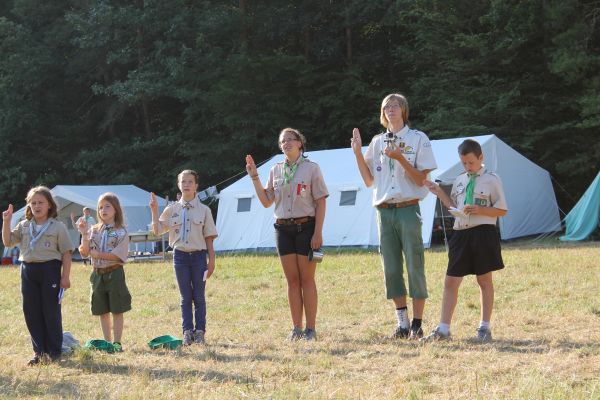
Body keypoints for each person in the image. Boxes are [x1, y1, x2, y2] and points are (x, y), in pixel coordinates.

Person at [351, 93, 437, 340]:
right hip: (384, 210)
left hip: (408, 208)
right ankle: (402, 323)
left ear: (404, 110)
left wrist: (400, 158)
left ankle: (417, 325)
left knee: (414, 265)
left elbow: (422, 179)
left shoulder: (418, 138)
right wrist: (358, 153)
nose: (390, 109)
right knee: (390, 268)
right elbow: (369, 181)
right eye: (386, 106)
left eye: (395, 105)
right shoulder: (377, 141)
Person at [246, 127, 328, 341]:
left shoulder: (312, 169)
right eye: (283, 141)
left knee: (307, 280)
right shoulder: (275, 170)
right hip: (282, 229)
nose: (286, 143)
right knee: (292, 281)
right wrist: (255, 177)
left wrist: (317, 233)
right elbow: (266, 202)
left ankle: (311, 329)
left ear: (300, 143)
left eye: (291, 139)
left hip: (306, 228)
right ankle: (296, 328)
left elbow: (321, 201)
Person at [421, 139, 507, 342]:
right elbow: (454, 206)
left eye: (471, 162)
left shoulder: (492, 180)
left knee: (484, 280)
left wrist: (480, 209)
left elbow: (502, 209)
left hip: (483, 233)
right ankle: (443, 329)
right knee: (451, 280)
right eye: (464, 163)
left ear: (480, 158)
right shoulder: (460, 180)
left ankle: (484, 328)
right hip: (460, 233)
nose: (468, 167)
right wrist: (439, 192)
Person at [2, 186, 74, 365]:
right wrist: (6, 221)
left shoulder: (58, 227)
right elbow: (8, 241)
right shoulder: (24, 225)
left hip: (49, 269)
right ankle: (39, 352)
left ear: (49, 205)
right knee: (32, 312)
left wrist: (65, 276)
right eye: (33, 203)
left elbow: (66, 253)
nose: (37, 206)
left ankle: (55, 351)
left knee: (50, 311)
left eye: (41, 202)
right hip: (28, 270)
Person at [149, 170, 217, 345]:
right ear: (179, 185)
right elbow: (157, 231)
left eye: (190, 182)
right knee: (185, 296)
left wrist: (212, 262)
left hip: (199, 257)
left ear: (196, 186)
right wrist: (154, 211)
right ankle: (187, 331)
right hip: (180, 257)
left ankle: (200, 331)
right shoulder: (171, 210)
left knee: (199, 297)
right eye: (183, 182)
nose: (186, 184)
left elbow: (209, 238)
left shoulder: (204, 210)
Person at [78, 193, 132, 352]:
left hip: (114, 273)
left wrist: (99, 255)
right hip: (97, 273)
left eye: (107, 206)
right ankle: (107, 343)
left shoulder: (121, 231)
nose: (103, 210)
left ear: (116, 209)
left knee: (117, 309)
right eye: (100, 207)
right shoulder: (93, 230)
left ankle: (117, 343)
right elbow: (85, 252)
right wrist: (83, 235)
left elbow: (118, 255)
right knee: (102, 309)